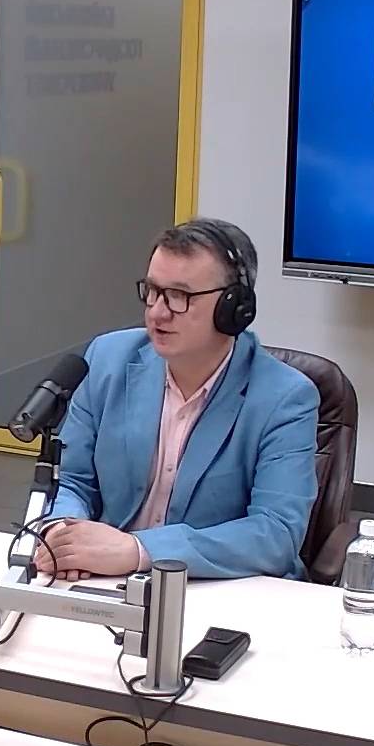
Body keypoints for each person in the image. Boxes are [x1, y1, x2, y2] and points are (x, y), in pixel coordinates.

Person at [35, 217, 319, 580]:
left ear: (234, 308)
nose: (157, 312)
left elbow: (276, 534)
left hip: (218, 588)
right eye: (153, 290)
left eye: (179, 296)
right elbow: (71, 480)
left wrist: (139, 550)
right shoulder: (108, 359)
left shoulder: (285, 398)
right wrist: (63, 534)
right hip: (105, 578)